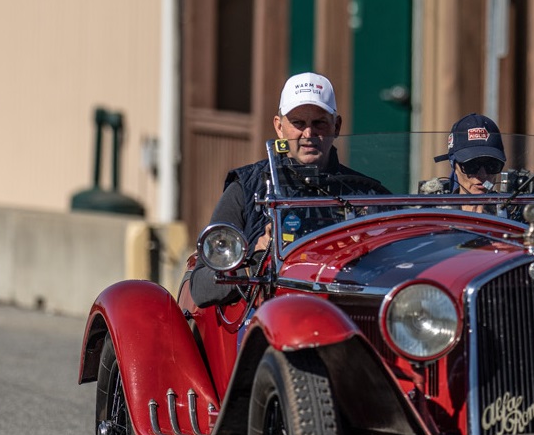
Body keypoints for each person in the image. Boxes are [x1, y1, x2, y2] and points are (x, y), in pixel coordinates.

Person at [190, 72, 386, 306]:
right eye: (298, 123)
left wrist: (367, 250)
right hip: (265, 329)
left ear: (337, 126)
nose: (308, 134)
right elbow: (201, 288)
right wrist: (256, 257)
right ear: (279, 127)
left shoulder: (368, 194)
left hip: (348, 323)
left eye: (319, 122)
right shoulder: (246, 188)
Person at [430, 113, 506, 213]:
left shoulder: (512, 214)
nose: (482, 175)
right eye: (472, 166)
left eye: (491, 166)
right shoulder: (433, 214)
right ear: (454, 165)